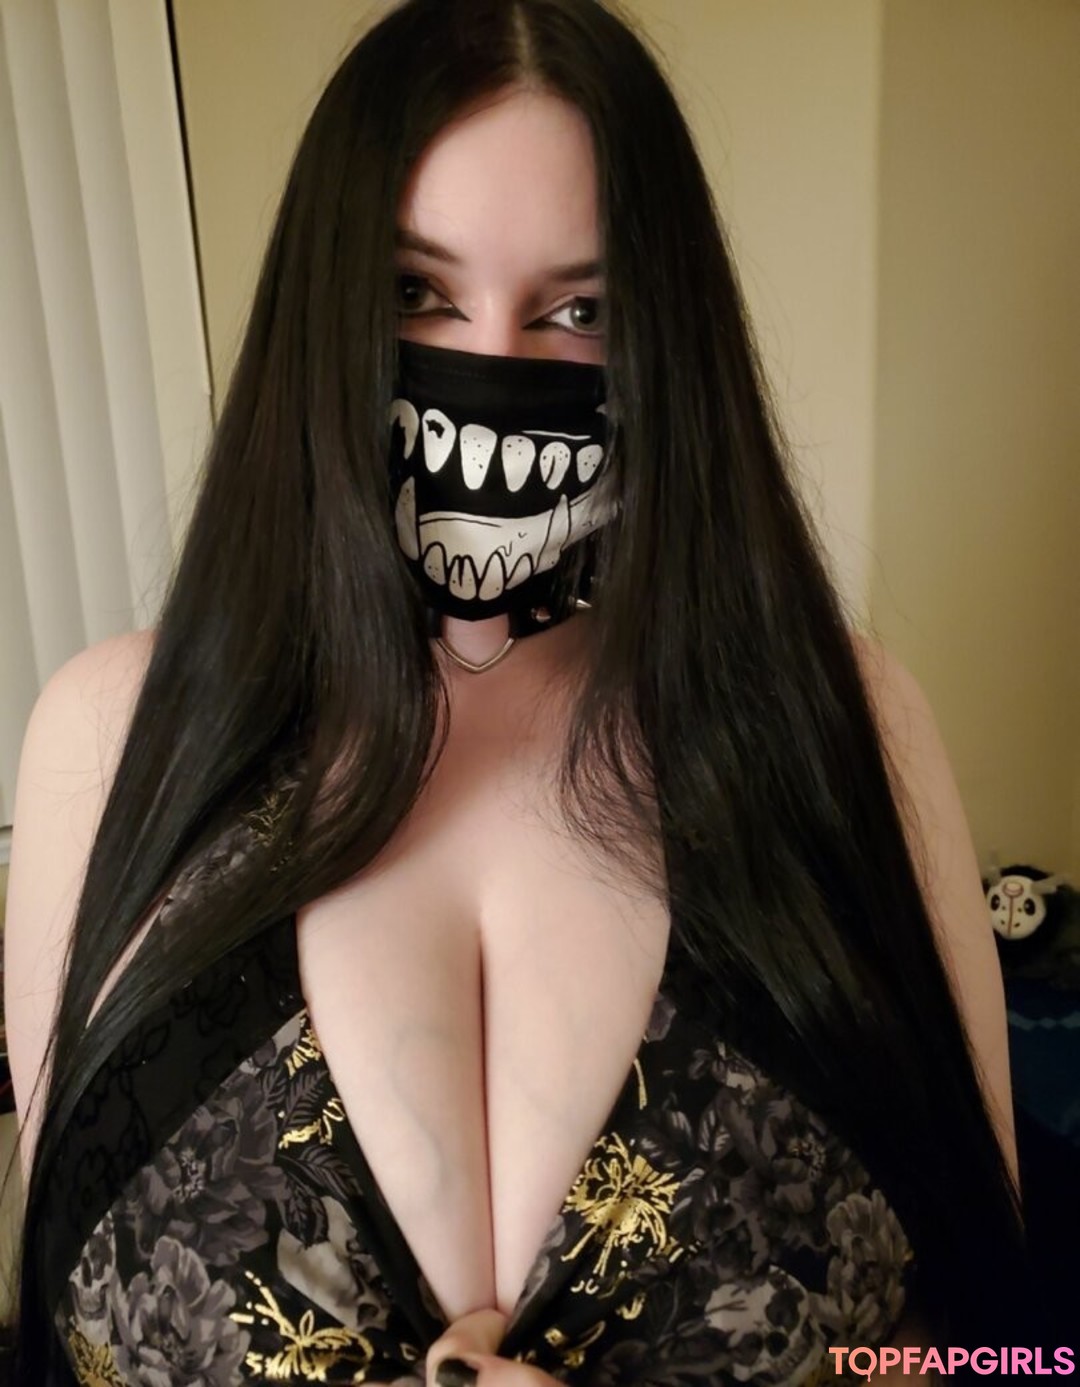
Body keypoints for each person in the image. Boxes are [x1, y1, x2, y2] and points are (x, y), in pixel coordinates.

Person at [4, 1, 1032, 1383]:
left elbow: (1007, 1350)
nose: (495, 363)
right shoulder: (110, 741)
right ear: (323, 308)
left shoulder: (846, 721)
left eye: (580, 311)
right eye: (415, 293)